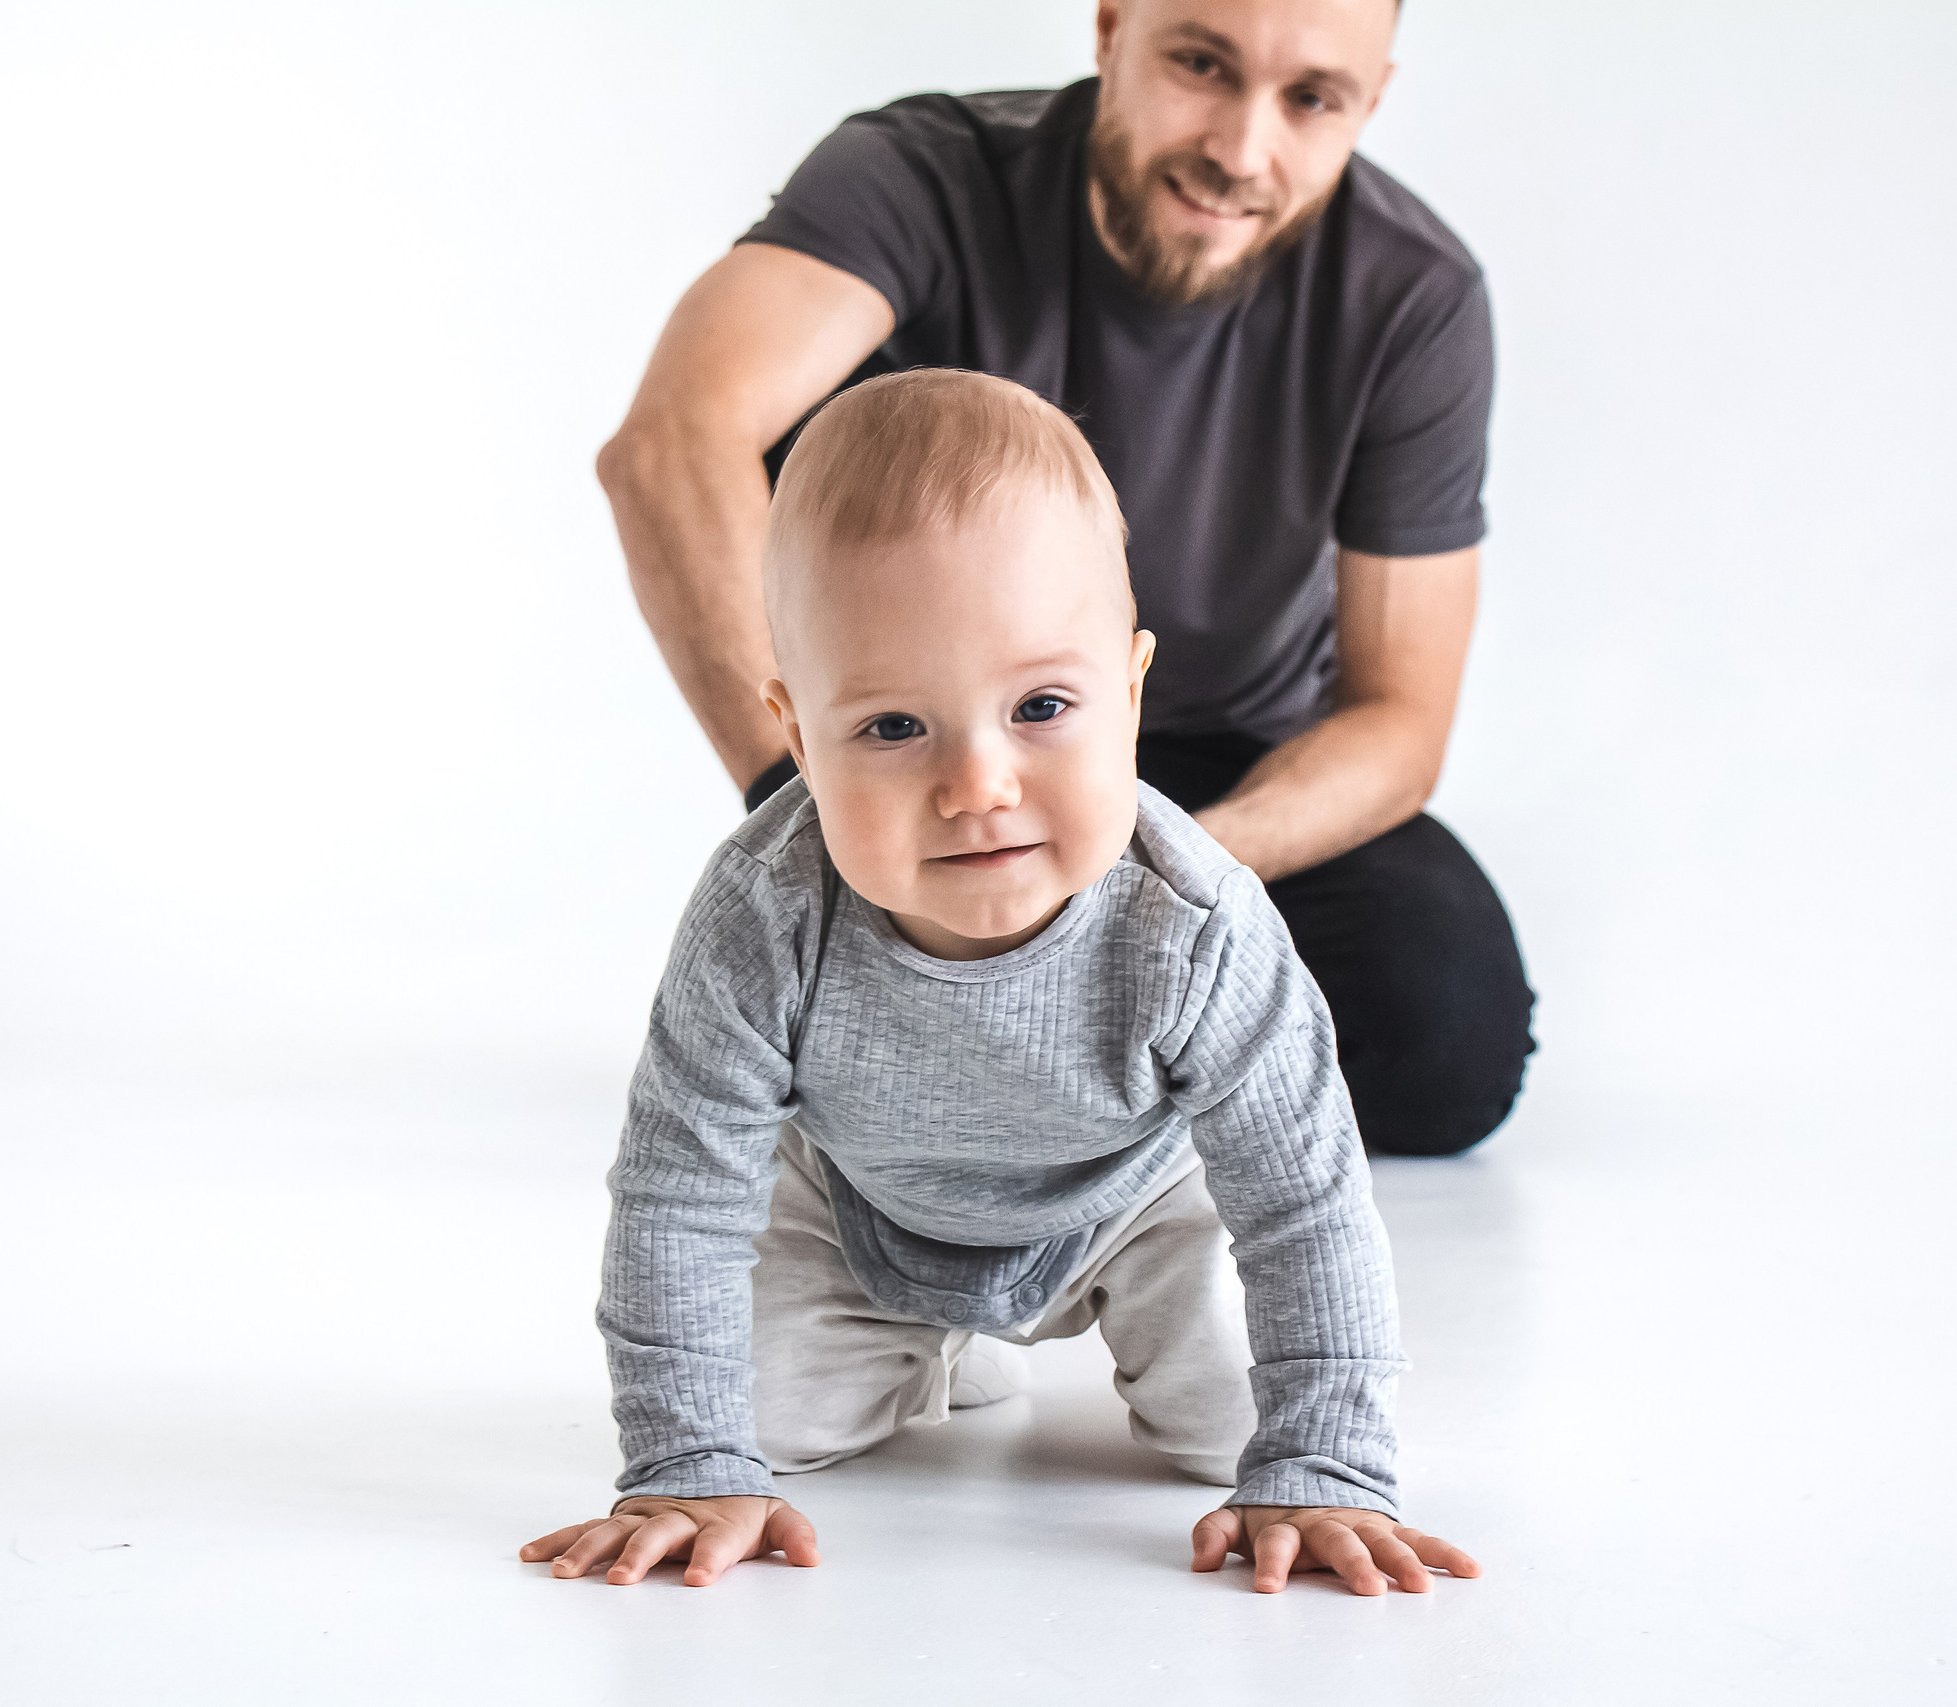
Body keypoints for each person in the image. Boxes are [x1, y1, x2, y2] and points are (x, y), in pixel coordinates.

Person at [521, 370, 1480, 1595]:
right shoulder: (763, 912)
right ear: (797, 735)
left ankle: (1227, 1408)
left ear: (1130, 692)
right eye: (890, 728)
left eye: (1039, 706)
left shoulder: (1192, 923)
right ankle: (931, 1352)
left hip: (1137, 1202)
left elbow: (1304, 1198)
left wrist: (1328, 1464)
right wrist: (684, 1456)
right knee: (758, 1428)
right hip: (864, 1208)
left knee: (1235, 1440)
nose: (976, 785)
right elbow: (681, 1192)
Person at [597, 0, 1536, 1159]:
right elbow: (673, 443)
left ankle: (1088, 1069)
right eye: (1200, 64)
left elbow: (1398, 717)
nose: (1242, 151)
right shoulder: (916, 178)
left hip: (1211, 774)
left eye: (1309, 99)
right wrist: (810, 823)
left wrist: (1152, 881)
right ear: (1109, 31)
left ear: (1371, 101)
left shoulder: (1414, 296)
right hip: (925, 750)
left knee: (1443, 1043)